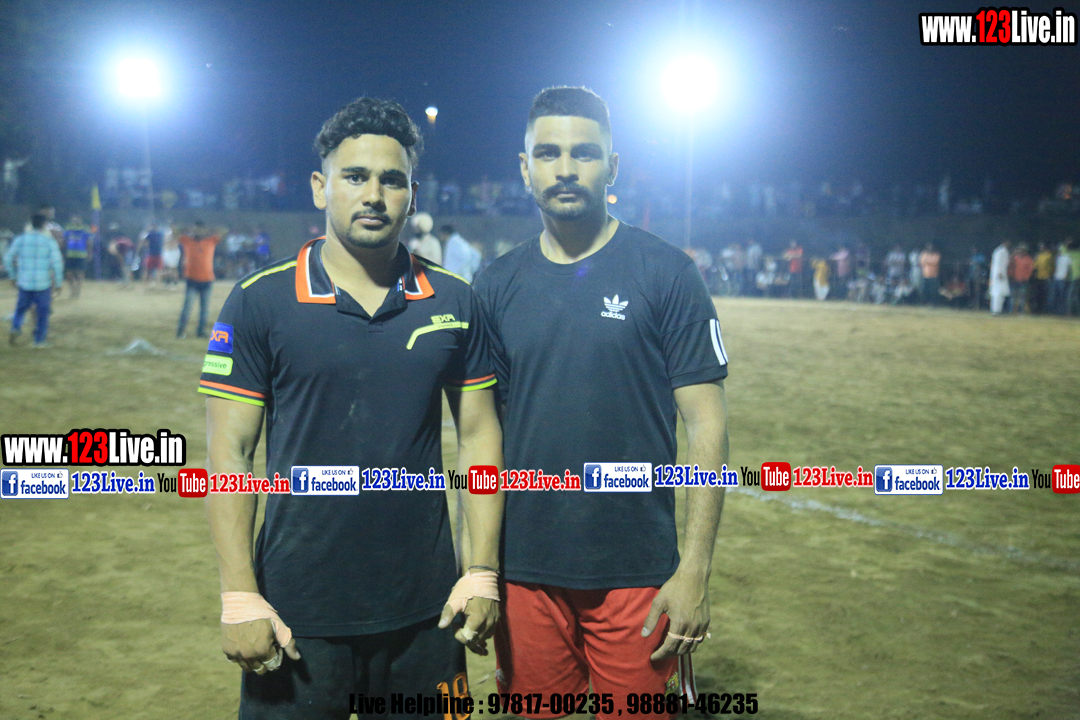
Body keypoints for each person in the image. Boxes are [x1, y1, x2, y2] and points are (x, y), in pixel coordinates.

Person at [201, 97, 505, 719]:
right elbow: (229, 453)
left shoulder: (454, 299)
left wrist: (481, 571)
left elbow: (478, 438)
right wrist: (239, 595)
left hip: (427, 610)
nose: (374, 195)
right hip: (297, 609)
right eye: (355, 176)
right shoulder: (259, 301)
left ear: (412, 196)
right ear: (321, 187)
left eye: (392, 180)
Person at [473, 87, 728, 717]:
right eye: (548, 153)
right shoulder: (494, 286)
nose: (565, 168)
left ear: (612, 166)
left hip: (636, 570)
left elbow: (706, 425)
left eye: (584, 153)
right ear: (525, 167)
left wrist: (694, 570)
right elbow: (481, 438)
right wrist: (479, 570)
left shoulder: (667, 273)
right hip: (525, 571)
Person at [4, 212, 64, 347]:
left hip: (24, 281)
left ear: (31, 224)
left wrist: (13, 276)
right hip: (43, 283)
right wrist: (58, 282)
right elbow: (57, 263)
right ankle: (39, 340)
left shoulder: (21, 239)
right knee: (43, 313)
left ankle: (16, 327)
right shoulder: (49, 241)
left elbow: (8, 258)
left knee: (21, 309)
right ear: (44, 225)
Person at [176, 221, 222, 338]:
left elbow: (223, 230)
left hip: (207, 280)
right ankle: (181, 330)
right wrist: (188, 229)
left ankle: (200, 331)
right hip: (192, 279)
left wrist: (208, 231)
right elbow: (174, 231)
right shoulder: (187, 240)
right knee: (187, 307)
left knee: (204, 309)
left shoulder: (211, 240)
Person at [62, 214, 93, 299]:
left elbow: (89, 242)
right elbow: (64, 240)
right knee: (68, 274)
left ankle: (77, 291)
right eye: (74, 220)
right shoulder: (68, 228)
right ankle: (73, 289)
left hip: (81, 254)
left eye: (77, 220)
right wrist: (62, 252)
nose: (75, 221)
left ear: (80, 220)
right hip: (70, 254)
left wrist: (90, 253)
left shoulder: (85, 229)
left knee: (80, 273)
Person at [138, 222, 168, 288]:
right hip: (158, 254)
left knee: (148, 269)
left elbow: (145, 243)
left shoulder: (149, 234)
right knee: (159, 270)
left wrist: (141, 249)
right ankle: (158, 284)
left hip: (151, 254)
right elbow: (163, 242)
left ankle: (146, 284)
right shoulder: (160, 234)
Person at [1009, 245, 1034, 314]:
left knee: (1022, 297)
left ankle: (1021, 311)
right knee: (1013, 297)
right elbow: (1010, 267)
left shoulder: (1028, 260)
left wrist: (1025, 278)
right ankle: (1012, 311)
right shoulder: (1014, 258)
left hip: (1023, 281)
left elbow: (1030, 270)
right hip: (1014, 280)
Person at [989, 240, 1011, 315]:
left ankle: (997, 309)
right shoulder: (1001, 251)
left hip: (1000, 274)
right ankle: (996, 310)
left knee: (1000, 293)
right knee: (998, 293)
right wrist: (999, 273)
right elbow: (998, 263)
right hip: (999, 275)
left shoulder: (1000, 250)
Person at [1032, 242, 1054, 314]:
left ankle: (1045, 310)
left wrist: (1050, 275)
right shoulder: (1039, 255)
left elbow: (1052, 267)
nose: (1040, 248)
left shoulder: (1049, 256)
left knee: (1046, 295)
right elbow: (1035, 266)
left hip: (1046, 278)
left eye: (1041, 246)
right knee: (1038, 294)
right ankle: (1038, 309)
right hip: (1039, 277)